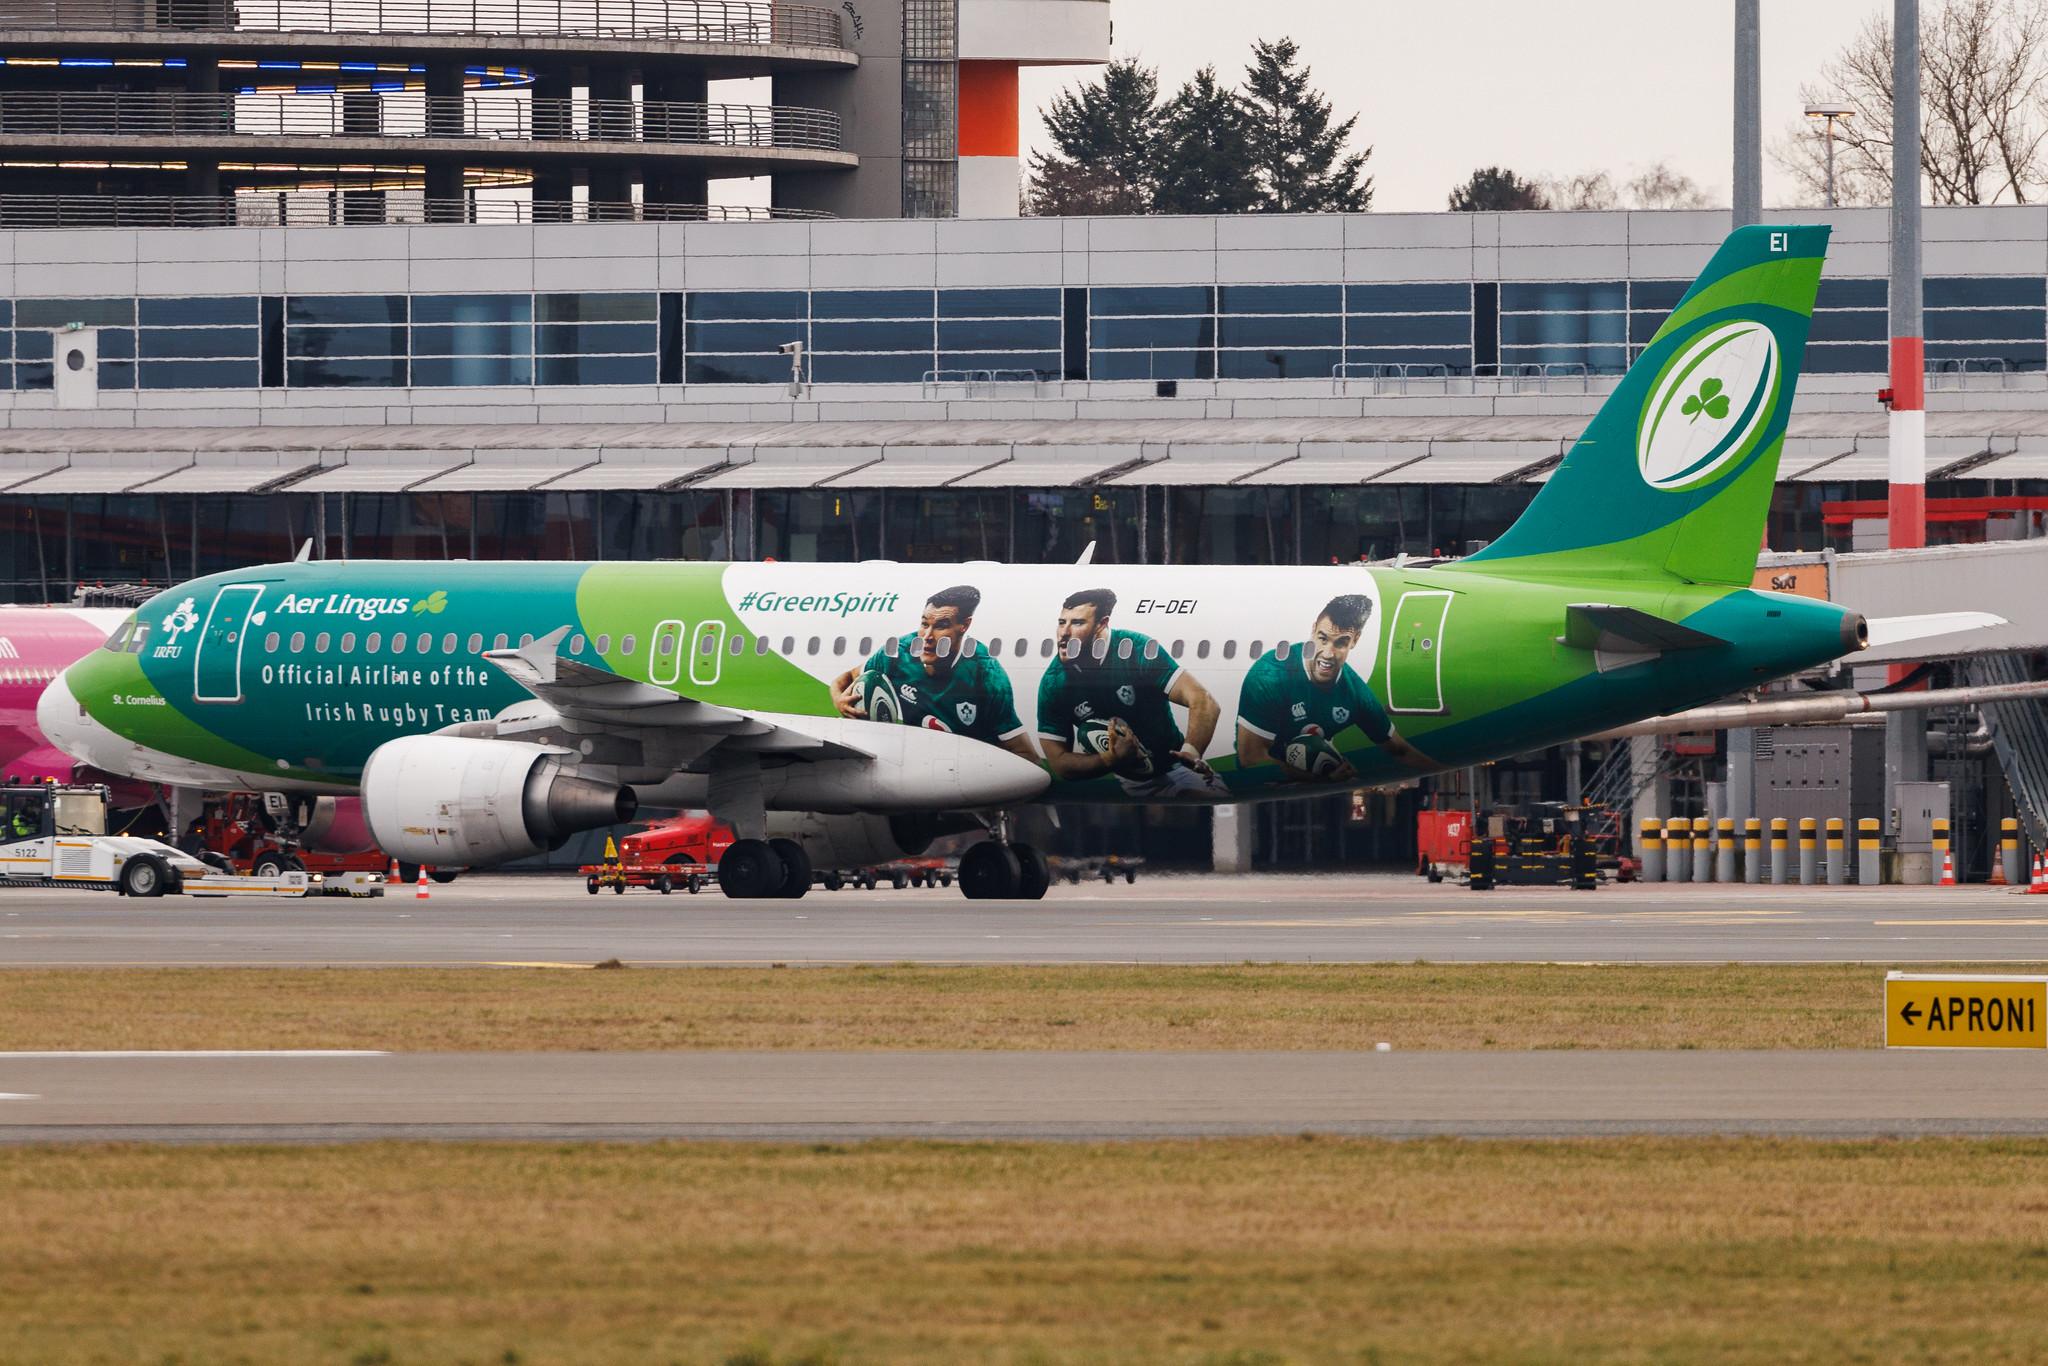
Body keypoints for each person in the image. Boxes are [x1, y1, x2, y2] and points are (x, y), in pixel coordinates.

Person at [1035, 587, 1225, 798]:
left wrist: (1191, 752)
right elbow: (1060, 763)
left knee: (1195, 795)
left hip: (1179, 767)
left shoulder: (1137, 649)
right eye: (1062, 622)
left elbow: (1204, 701)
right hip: (1133, 779)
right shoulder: (1054, 682)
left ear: (1102, 624)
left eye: (1078, 623)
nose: (1064, 633)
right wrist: (1111, 759)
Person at [830, 584, 1039, 763]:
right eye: (924, 624)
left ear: (965, 625)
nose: (927, 636)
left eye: (941, 626)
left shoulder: (986, 675)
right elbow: (847, 677)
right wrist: (839, 698)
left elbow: (1027, 755)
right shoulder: (898, 652)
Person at [1235, 593, 1422, 783]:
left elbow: (1401, 750)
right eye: (1323, 639)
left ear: (1355, 640)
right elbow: (1251, 759)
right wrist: (1322, 779)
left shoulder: (1354, 691)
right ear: (1313, 629)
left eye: (1341, 642)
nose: (1328, 654)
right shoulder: (1270, 674)